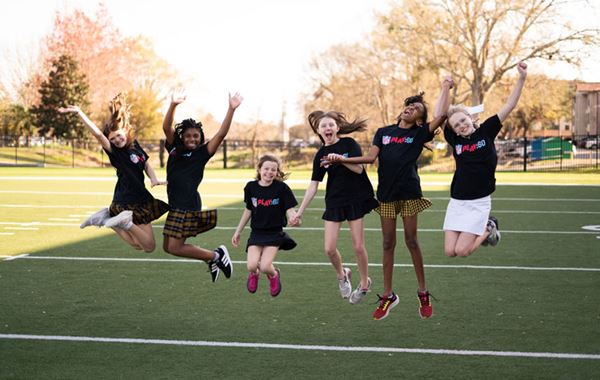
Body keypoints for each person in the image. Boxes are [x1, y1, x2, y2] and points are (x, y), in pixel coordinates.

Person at [325, 77, 453, 320]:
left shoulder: (419, 133)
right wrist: (342, 159)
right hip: (386, 195)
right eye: (409, 106)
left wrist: (445, 88)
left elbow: (443, 114)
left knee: (412, 241)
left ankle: (423, 292)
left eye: (416, 109)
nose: (410, 109)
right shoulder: (383, 133)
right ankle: (388, 295)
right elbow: (369, 159)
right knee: (387, 244)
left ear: (419, 119)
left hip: (409, 193)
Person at [58, 94, 168, 252]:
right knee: (149, 246)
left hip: (137, 198)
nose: (116, 139)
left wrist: (154, 179)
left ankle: (105, 219)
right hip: (128, 201)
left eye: (118, 135)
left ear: (125, 130)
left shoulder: (134, 144)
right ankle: (124, 222)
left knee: (138, 244)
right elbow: (97, 134)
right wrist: (80, 113)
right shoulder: (115, 152)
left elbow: (146, 163)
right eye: (112, 138)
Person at [290, 111, 379, 305]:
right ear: (319, 131)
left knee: (358, 245)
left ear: (337, 128)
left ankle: (365, 283)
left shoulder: (349, 144)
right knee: (329, 249)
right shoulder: (320, 155)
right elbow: (313, 184)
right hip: (334, 201)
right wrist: (300, 211)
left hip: (355, 199)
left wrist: (340, 159)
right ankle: (342, 275)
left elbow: (359, 169)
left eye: (331, 124)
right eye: (323, 126)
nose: (328, 128)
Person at [443, 62, 528, 257]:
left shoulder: (486, 131)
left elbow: (509, 105)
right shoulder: (454, 139)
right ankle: (486, 228)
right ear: (453, 130)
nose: (461, 126)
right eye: (456, 125)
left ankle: (489, 227)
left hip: (478, 201)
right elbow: (440, 114)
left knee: (462, 251)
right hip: (457, 200)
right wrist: (445, 88)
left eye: (463, 120)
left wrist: (522, 78)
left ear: (469, 117)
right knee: (449, 252)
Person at [161, 91, 243, 282]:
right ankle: (213, 258)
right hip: (175, 204)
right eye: (188, 136)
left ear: (201, 137)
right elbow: (166, 127)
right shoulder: (174, 148)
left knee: (175, 247)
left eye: (196, 136)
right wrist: (173, 105)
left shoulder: (202, 152)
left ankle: (216, 256)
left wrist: (231, 109)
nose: (192, 139)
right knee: (167, 247)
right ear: (182, 137)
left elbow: (221, 134)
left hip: (187, 204)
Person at [232, 154, 299, 297]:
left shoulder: (282, 188)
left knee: (265, 266)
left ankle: (274, 275)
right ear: (259, 169)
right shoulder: (251, 187)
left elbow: (290, 209)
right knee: (251, 265)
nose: (269, 172)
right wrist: (238, 231)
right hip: (257, 233)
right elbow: (248, 210)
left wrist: (293, 217)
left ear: (277, 172)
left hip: (274, 233)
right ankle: (253, 274)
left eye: (273, 170)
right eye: (266, 168)